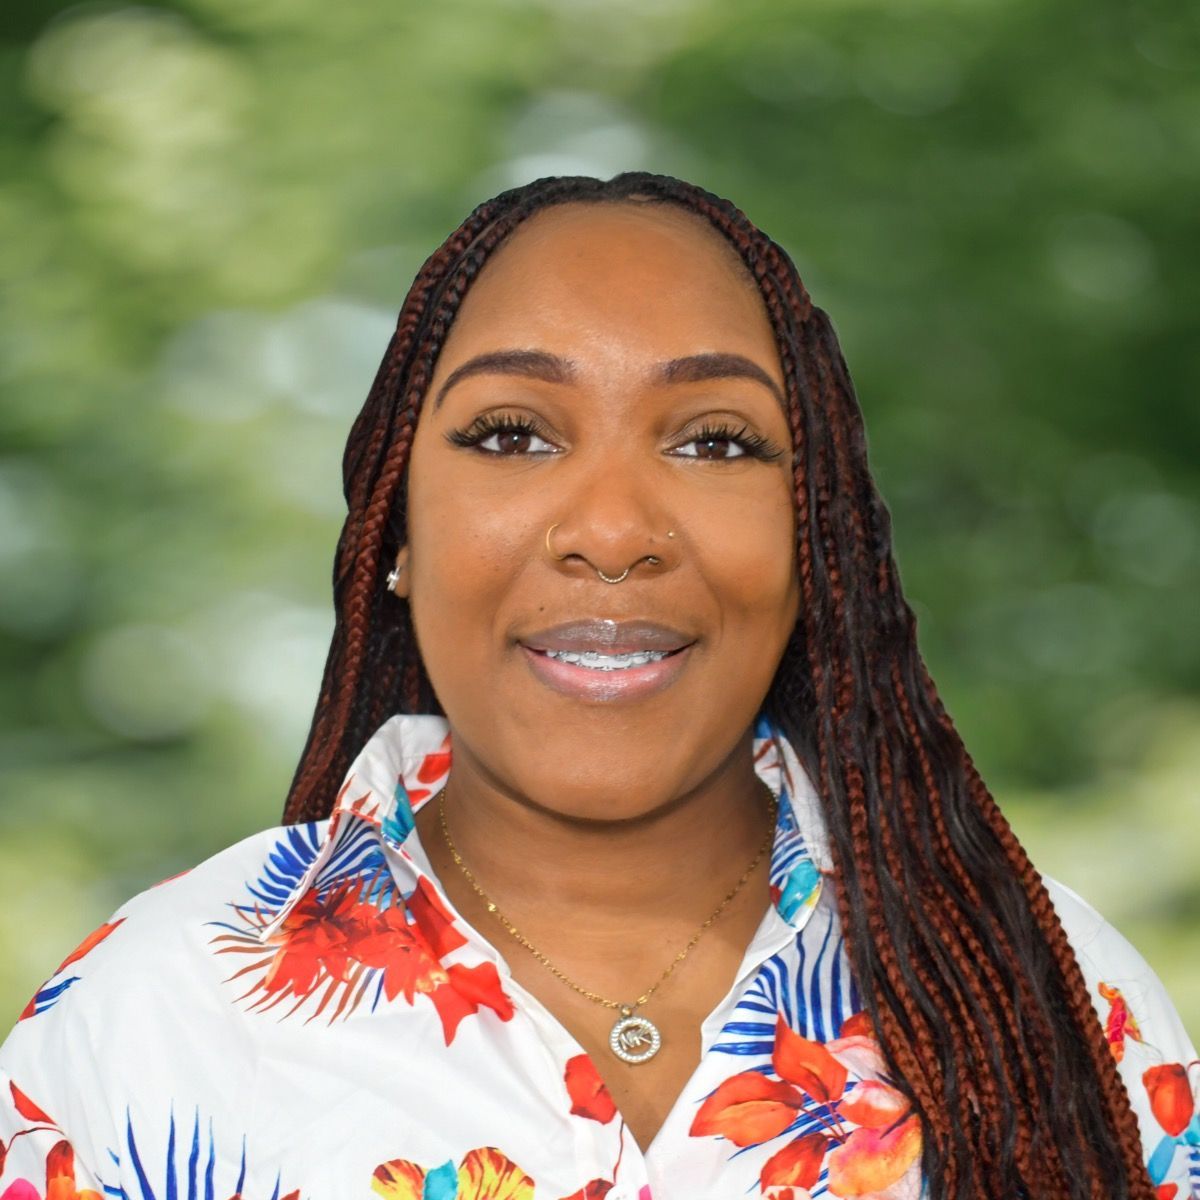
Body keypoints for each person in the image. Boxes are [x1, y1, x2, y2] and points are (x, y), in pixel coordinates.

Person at [0, 172, 1195, 1200]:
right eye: (513, 433)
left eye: (715, 441)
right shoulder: (152, 1016)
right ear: (394, 532)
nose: (613, 529)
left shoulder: (1055, 1002)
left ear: (817, 539)